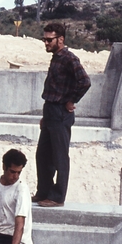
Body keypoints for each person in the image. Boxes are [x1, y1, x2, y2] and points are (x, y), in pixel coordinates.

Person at [33, 22, 91, 207]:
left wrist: (71, 100)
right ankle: (44, 192)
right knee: (43, 155)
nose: (46, 43)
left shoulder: (69, 58)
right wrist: (45, 116)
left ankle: (57, 197)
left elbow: (85, 81)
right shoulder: (56, 57)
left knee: (59, 157)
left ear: (61, 39)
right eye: (44, 39)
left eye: (49, 40)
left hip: (60, 113)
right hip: (50, 111)